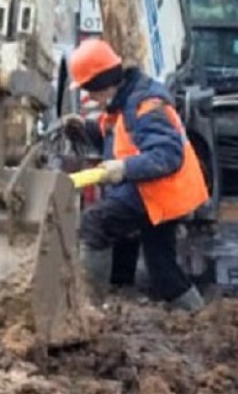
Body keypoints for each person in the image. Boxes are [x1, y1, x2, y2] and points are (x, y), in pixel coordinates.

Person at [63, 37, 209, 311]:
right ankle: (199, 318)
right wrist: (85, 130)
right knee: (162, 268)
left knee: (96, 223)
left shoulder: (146, 104)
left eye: (88, 89)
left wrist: (124, 168)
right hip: (158, 189)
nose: (88, 96)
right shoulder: (125, 99)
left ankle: (87, 310)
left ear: (102, 84)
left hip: (161, 191)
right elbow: (120, 141)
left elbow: (167, 156)